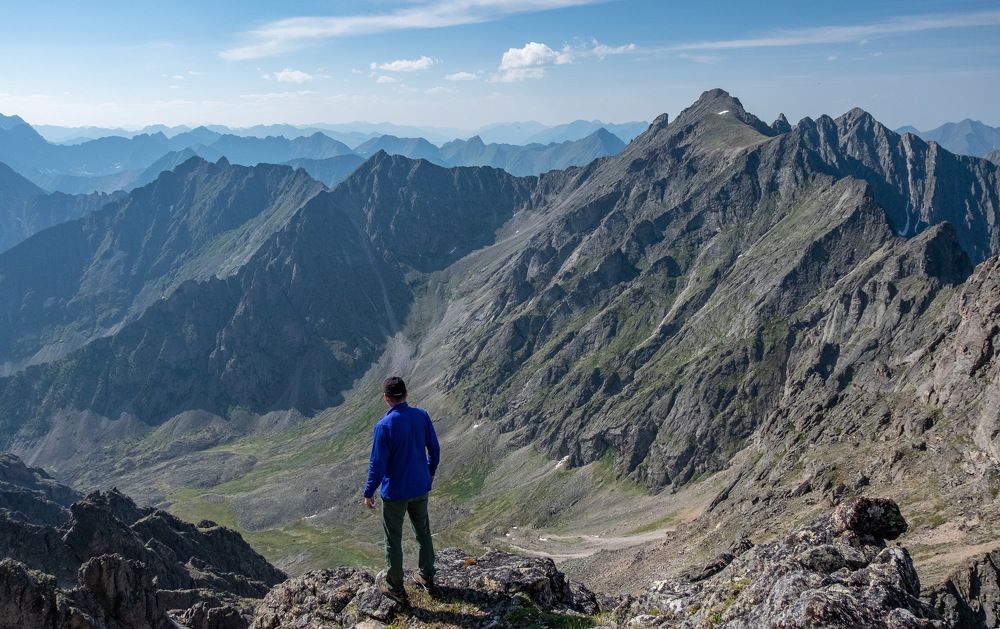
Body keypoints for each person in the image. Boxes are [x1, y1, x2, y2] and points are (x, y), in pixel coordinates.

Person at [363, 376, 440, 605]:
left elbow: (377, 464)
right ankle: (427, 575)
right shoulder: (421, 416)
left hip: (395, 492)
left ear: (386, 398)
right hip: (420, 485)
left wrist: (369, 491)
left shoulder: (384, 426)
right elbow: (434, 448)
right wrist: (430, 471)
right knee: (423, 531)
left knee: (393, 539)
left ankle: (396, 587)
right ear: (406, 394)